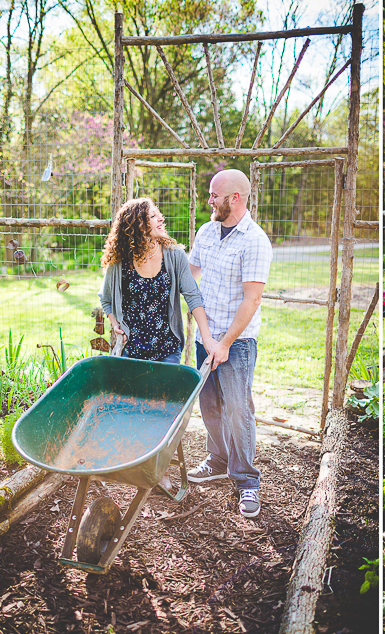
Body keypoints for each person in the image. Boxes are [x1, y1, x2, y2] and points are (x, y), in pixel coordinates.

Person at [186, 169, 273, 519]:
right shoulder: (206, 232)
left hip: (237, 343)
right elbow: (190, 279)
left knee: (238, 409)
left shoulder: (255, 241)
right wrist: (205, 336)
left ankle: (247, 479)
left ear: (234, 198)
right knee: (209, 406)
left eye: (214, 195)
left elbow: (251, 300)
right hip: (204, 338)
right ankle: (219, 459)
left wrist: (224, 343)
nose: (208, 201)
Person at [99, 197, 214, 364]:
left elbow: (193, 297)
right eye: (153, 216)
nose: (161, 219)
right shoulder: (120, 261)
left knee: (166, 390)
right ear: (137, 224)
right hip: (131, 349)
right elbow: (106, 298)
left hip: (167, 348)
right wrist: (115, 323)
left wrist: (207, 338)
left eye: (158, 215)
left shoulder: (174, 256)